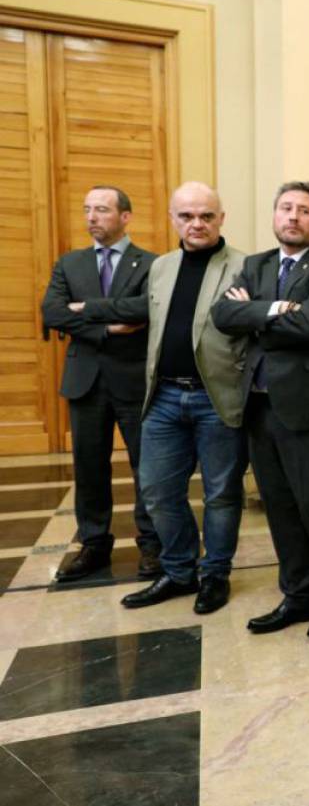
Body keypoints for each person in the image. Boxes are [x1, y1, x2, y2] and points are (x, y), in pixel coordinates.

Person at [80, 182, 249, 614]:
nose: (197, 224)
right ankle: (178, 571)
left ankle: (215, 575)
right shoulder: (162, 268)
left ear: (221, 219)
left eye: (206, 216)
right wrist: (87, 311)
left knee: (222, 494)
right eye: (187, 216)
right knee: (155, 489)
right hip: (165, 398)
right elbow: (142, 314)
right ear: (173, 219)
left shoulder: (246, 268)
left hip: (218, 399)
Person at [212, 181, 309, 641]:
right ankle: (298, 594)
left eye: (305, 211)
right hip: (259, 405)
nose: (294, 217)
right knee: (277, 504)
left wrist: (253, 316)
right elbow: (222, 316)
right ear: (274, 216)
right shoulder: (255, 265)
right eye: (286, 208)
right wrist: (276, 309)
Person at [40, 186, 161, 582]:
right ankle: (94, 544)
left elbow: (145, 308)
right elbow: (53, 312)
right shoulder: (69, 264)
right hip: (85, 381)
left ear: (125, 216)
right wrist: (109, 329)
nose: (92, 217)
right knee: (89, 467)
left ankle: (152, 544)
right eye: (87, 209)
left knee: (148, 466)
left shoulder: (151, 264)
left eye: (102, 210)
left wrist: (88, 310)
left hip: (134, 379)